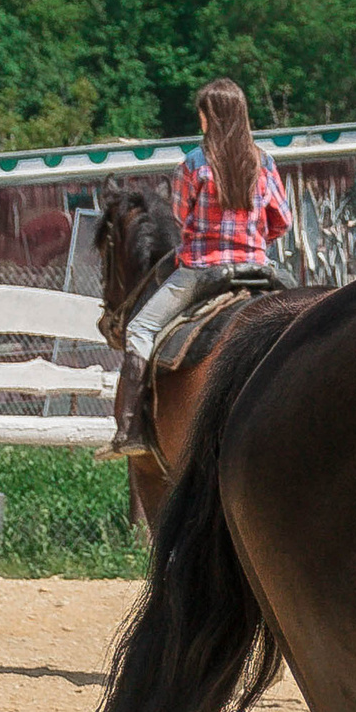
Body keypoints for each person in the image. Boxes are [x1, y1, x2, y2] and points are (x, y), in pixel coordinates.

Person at [109, 77, 293, 455]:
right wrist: (253, 241)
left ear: (209, 116)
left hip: (202, 271)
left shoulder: (193, 164)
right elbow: (283, 221)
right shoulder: (266, 162)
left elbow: (180, 215)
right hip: (260, 268)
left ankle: (131, 430)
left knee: (141, 329)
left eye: (202, 113)